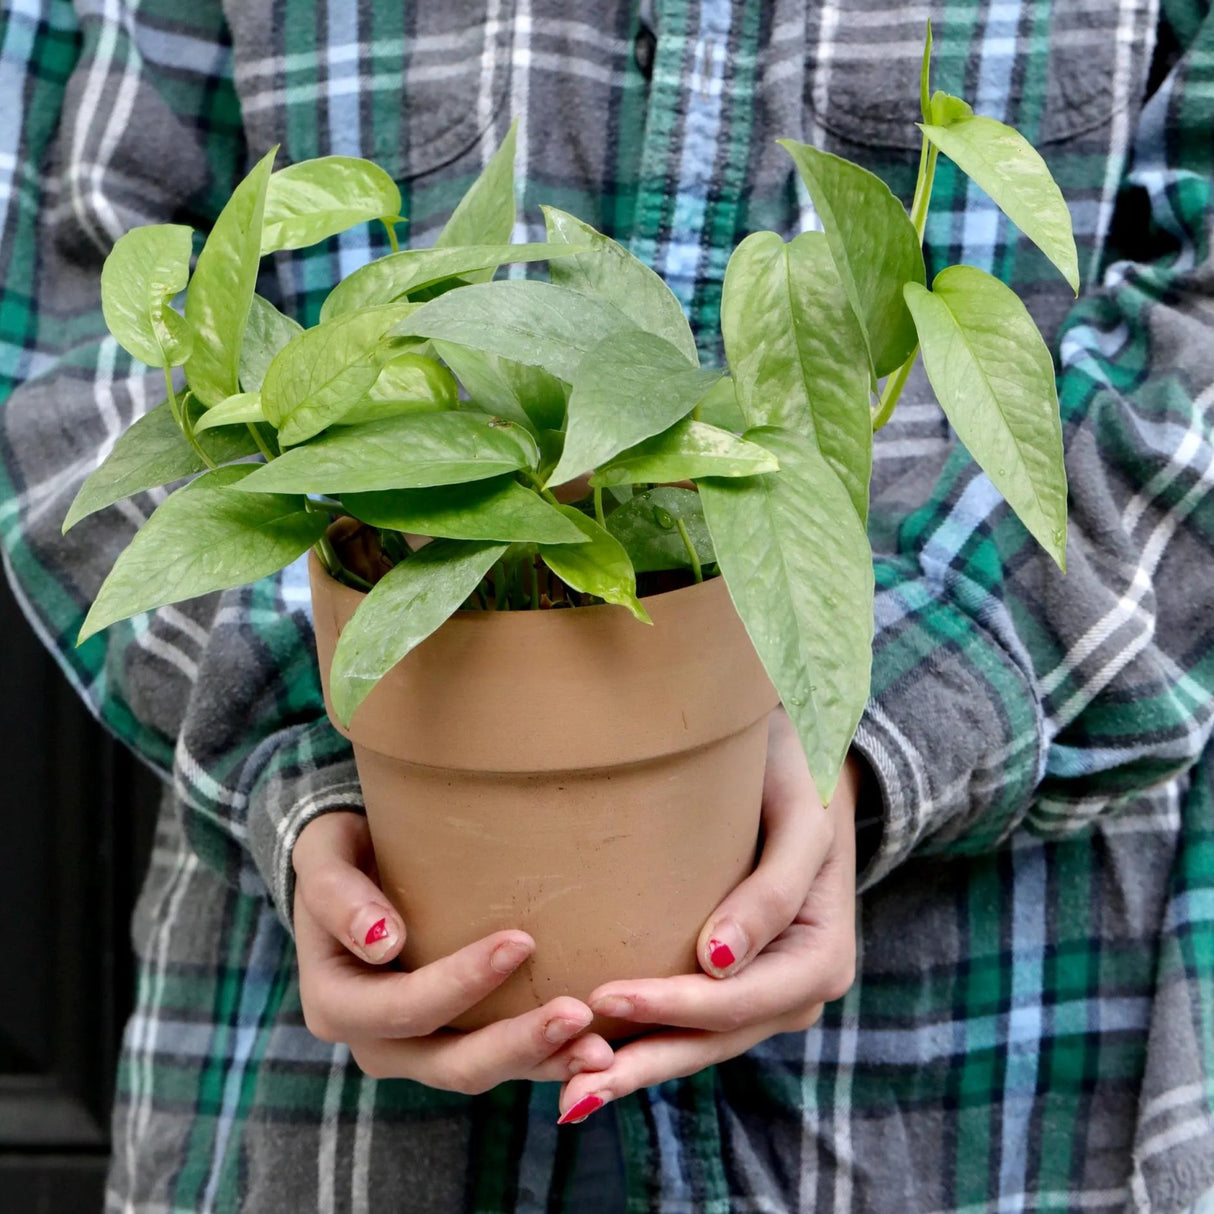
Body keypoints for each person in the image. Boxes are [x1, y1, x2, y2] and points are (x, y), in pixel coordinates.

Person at [2, 0, 1213, 1210]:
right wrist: (318, 742)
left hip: (979, 1076)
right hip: (328, 1109)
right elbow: (65, 323)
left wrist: (868, 713)